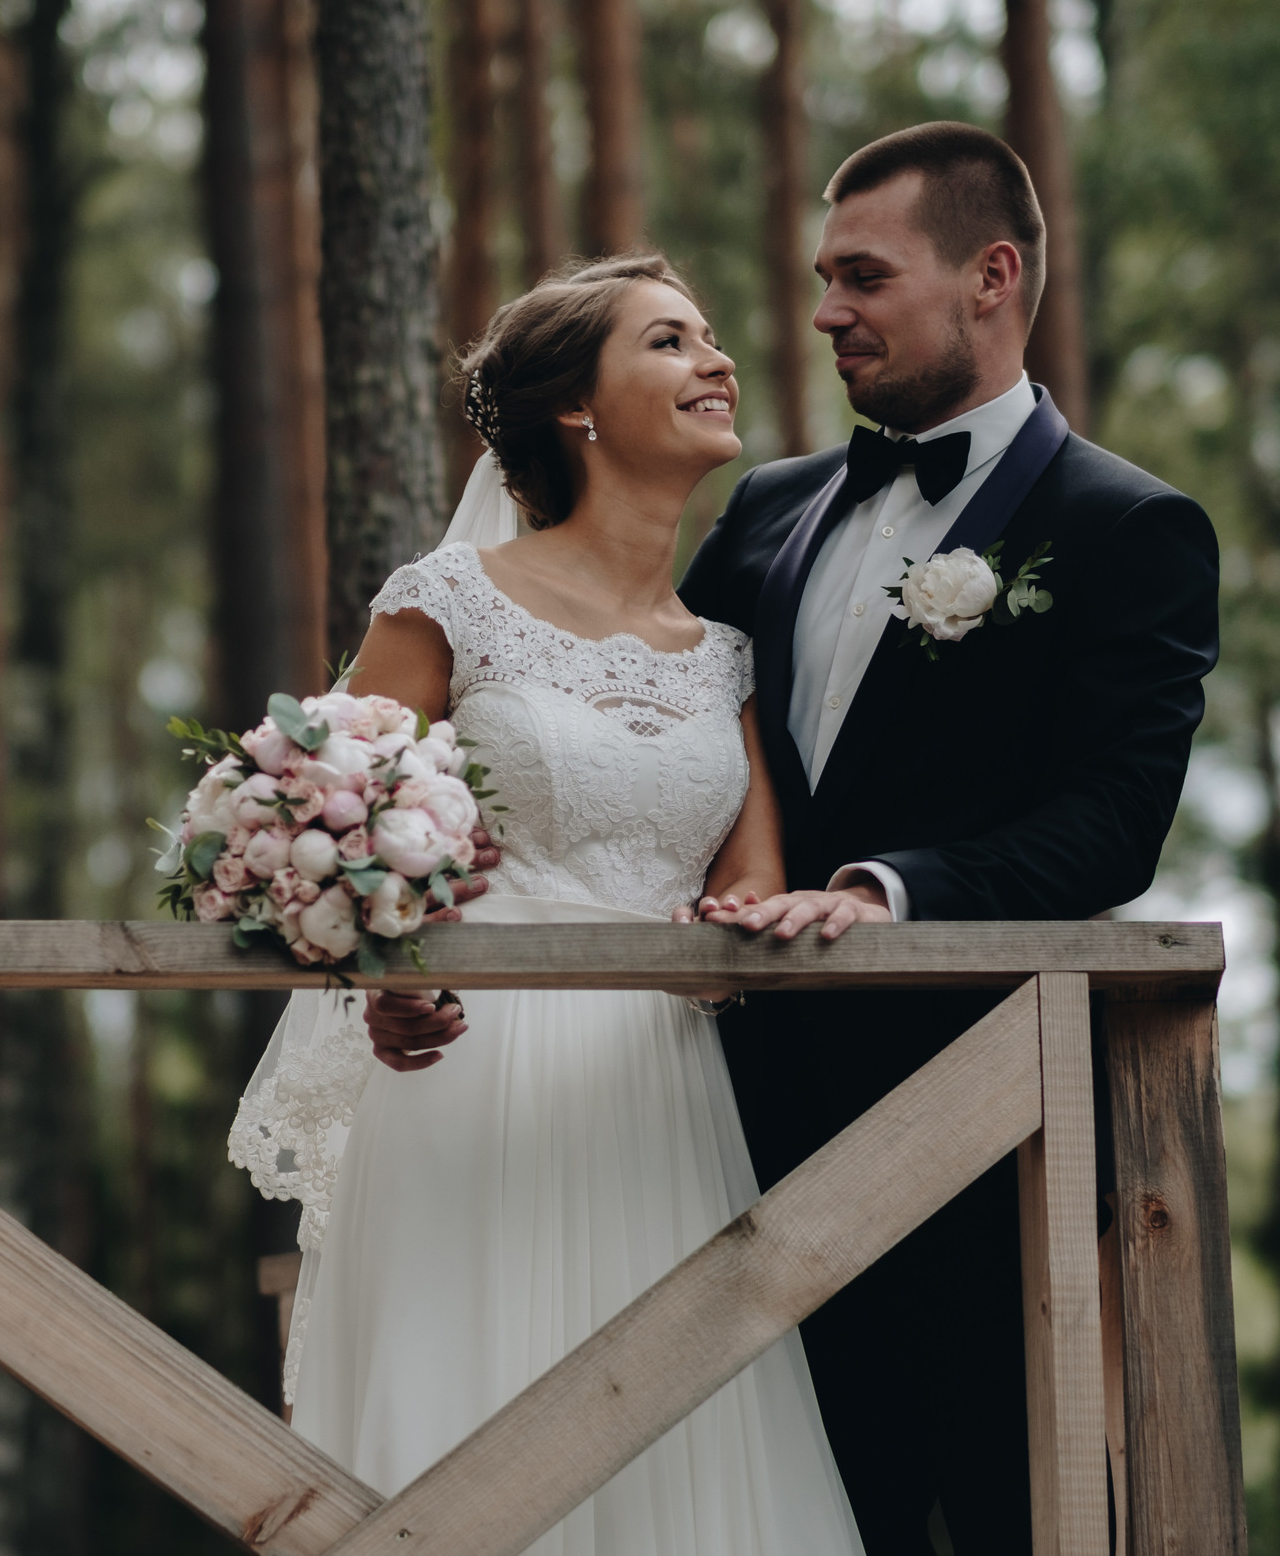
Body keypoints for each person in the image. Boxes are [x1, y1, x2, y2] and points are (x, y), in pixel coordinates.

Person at [369, 123, 1220, 1554]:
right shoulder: (765, 511)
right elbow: (639, 737)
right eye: (825, 278)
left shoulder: (1126, 526)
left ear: (992, 276)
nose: (823, 312)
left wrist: (889, 894)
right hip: (717, 1137)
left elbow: (1112, 821)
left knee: (1021, 1513)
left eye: (864, 278)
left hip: (976, 1137)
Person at [229, 253, 865, 1553]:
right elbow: (319, 823)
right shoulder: (449, 601)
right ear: (578, 406)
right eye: (673, 342)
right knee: (468, 1446)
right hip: (475, 1079)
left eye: (709, 337)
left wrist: (749, 938)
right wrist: (383, 977)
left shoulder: (728, 660)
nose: (719, 361)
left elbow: (748, 888)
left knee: (675, 1460)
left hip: (664, 1103)